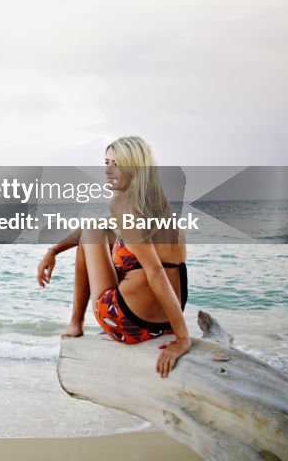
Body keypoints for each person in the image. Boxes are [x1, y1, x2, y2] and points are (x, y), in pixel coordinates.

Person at [36, 136, 191, 377]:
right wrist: (54, 250)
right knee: (99, 234)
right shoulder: (160, 206)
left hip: (126, 323)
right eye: (106, 162)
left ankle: (75, 323)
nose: (108, 171)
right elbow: (99, 225)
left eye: (116, 164)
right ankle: (76, 322)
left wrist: (183, 339)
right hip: (162, 325)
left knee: (91, 237)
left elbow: (156, 271)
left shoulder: (123, 205)